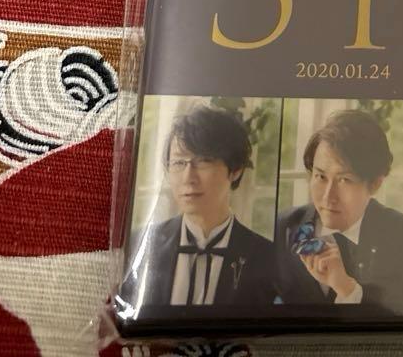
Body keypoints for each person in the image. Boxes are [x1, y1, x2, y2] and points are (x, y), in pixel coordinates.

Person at [119, 106, 281, 311]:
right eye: (179, 163)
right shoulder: (139, 245)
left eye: (203, 161)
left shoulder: (267, 258)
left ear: (236, 170)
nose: (188, 177)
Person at [275, 109, 403, 309]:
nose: (328, 197)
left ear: (375, 184)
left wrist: (348, 289)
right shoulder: (283, 227)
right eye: (320, 176)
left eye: (344, 180)